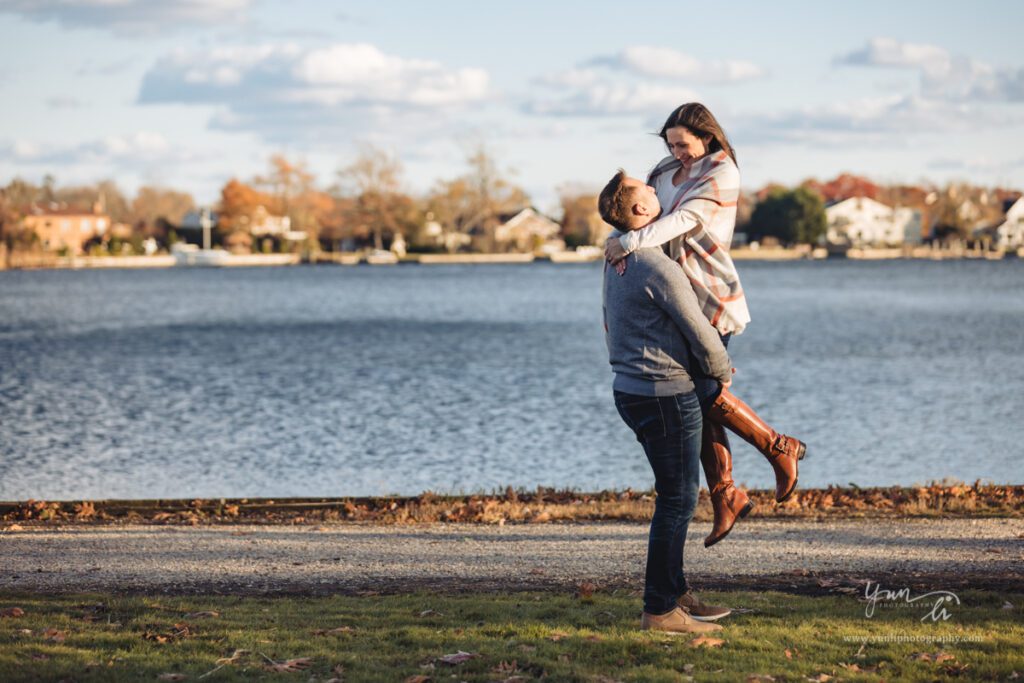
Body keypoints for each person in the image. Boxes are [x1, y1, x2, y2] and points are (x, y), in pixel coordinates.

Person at [605, 103, 806, 548]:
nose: (678, 152)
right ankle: (727, 492)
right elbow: (637, 208)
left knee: (700, 391)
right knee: (694, 394)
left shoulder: (721, 170)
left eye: (684, 143)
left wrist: (629, 243)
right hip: (669, 294)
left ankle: (775, 449)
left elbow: (683, 219)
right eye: (671, 143)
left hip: (707, 292)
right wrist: (619, 235)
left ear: (707, 137)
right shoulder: (663, 169)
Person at [600, 169, 733, 634]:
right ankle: (660, 610)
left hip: (631, 390)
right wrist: (720, 369)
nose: (658, 191)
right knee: (676, 500)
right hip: (663, 395)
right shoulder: (657, 266)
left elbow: (607, 322)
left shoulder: (616, 257)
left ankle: (676, 593)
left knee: (674, 495)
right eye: (649, 190)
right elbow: (700, 330)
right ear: (640, 210)